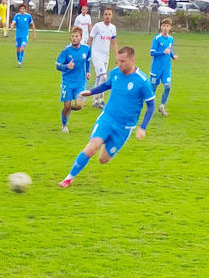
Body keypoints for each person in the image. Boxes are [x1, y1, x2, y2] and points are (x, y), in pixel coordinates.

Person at [58, 46, 155, 188]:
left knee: (103, 160)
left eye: (123, 61)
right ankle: (68, 178)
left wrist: (143, 127)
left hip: (124, 127)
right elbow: (106, 85)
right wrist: (90, 92)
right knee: (92, 147)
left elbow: (151, 106)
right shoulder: (115, 73)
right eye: (117, 61)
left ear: (132, 60)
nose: (119, 64)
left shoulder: (142, 81)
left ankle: (106, 142)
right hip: (107, 118)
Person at [55, 27, 91, 133]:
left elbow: (88, 60)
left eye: (76, 36)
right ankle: (64, 125)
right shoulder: (66, 51)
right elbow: (57, 65)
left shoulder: (86, 49)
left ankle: (70, 109)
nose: (74, 38)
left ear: (81, 37)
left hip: (80, 82)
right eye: (72, 36)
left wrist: (87, 71)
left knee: (79, 106)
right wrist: (67, 67)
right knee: (66, 105)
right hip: (67, 82)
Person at [87, 7, 118, 109]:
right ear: (103, 15)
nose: (107, 16)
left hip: (106, 56)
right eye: (105, 14)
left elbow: (113, 42)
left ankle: (95, 100)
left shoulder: (113, 28)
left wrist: (117, 55)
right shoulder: (97, 26)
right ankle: (101, 99)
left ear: (112, 16)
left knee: (99, 77)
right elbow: (90, 39)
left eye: (109, 14)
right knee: (104, 77)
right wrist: (86, 52)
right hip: (96, 55)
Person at [149, 18, 178, 116]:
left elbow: (169, 50)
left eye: (167, 26)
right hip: (156, 69)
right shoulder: (157, 39)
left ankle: (162, 106)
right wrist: (162, 52)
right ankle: (150, 106)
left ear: (170, 28)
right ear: (161, 27)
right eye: (164, 26)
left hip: (166, 69)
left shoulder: (171, 39)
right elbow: (152, 52)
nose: (165, 28)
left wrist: (172, 56)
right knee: (152, 89)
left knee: (167, 86)